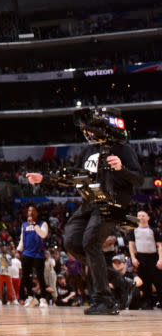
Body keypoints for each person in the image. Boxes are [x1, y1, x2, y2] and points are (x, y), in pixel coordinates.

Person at [26, 107, 141, 315]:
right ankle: (120, 282)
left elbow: (139, 179)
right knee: (71, 242)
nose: (86, 133)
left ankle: (104, 299)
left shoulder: (123, 148)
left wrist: (121, 169)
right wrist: (45, 178)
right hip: (91, 202)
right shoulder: (88, 150)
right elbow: (75, 177)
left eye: (89, 129)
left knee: (90, 241)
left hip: (113, 204)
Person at [128, 210, 162, 309]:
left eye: (143, 215)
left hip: (153, 257)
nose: (141, 217)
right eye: (139, 215)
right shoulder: (133, 231)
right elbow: (131, 245)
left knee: (158, 280)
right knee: (144, 281)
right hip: (140, 257)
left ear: (148, 218)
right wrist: (133, 258)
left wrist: (160, 259)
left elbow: (160, 246)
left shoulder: (154, 230)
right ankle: (147, 303)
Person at [18, 205, 50, 307]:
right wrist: (19, 250)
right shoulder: (24, 225)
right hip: (27, 253)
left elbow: (43, 235)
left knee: (40, 276)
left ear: (37, 213)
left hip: (38, 253)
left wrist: (34, 224)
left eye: (33, 211)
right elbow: (22, 239)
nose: (30, 212)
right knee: (26, 276)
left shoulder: (42, 224)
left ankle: (43, 298)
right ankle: (31, 298)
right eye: (29, 210)